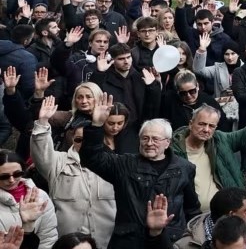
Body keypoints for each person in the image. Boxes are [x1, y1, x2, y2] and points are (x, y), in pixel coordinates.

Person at [80, 93, 200, 249]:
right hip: (129, 242)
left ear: (167, 142)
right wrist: (96, 126)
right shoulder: (123, 164)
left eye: (155, 139)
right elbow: (91, 158)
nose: (149, 143)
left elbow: (192, 209)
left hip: (169, 242)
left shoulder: (185, 168)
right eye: (145, 138)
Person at [30, 98, 116, 247]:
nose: (83, 143)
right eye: (79, 139)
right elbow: (41, 151)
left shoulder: (114, 164)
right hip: (66, 243)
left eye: (88, 139)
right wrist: (43, 122)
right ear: (72, 139)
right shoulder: (58, 161)